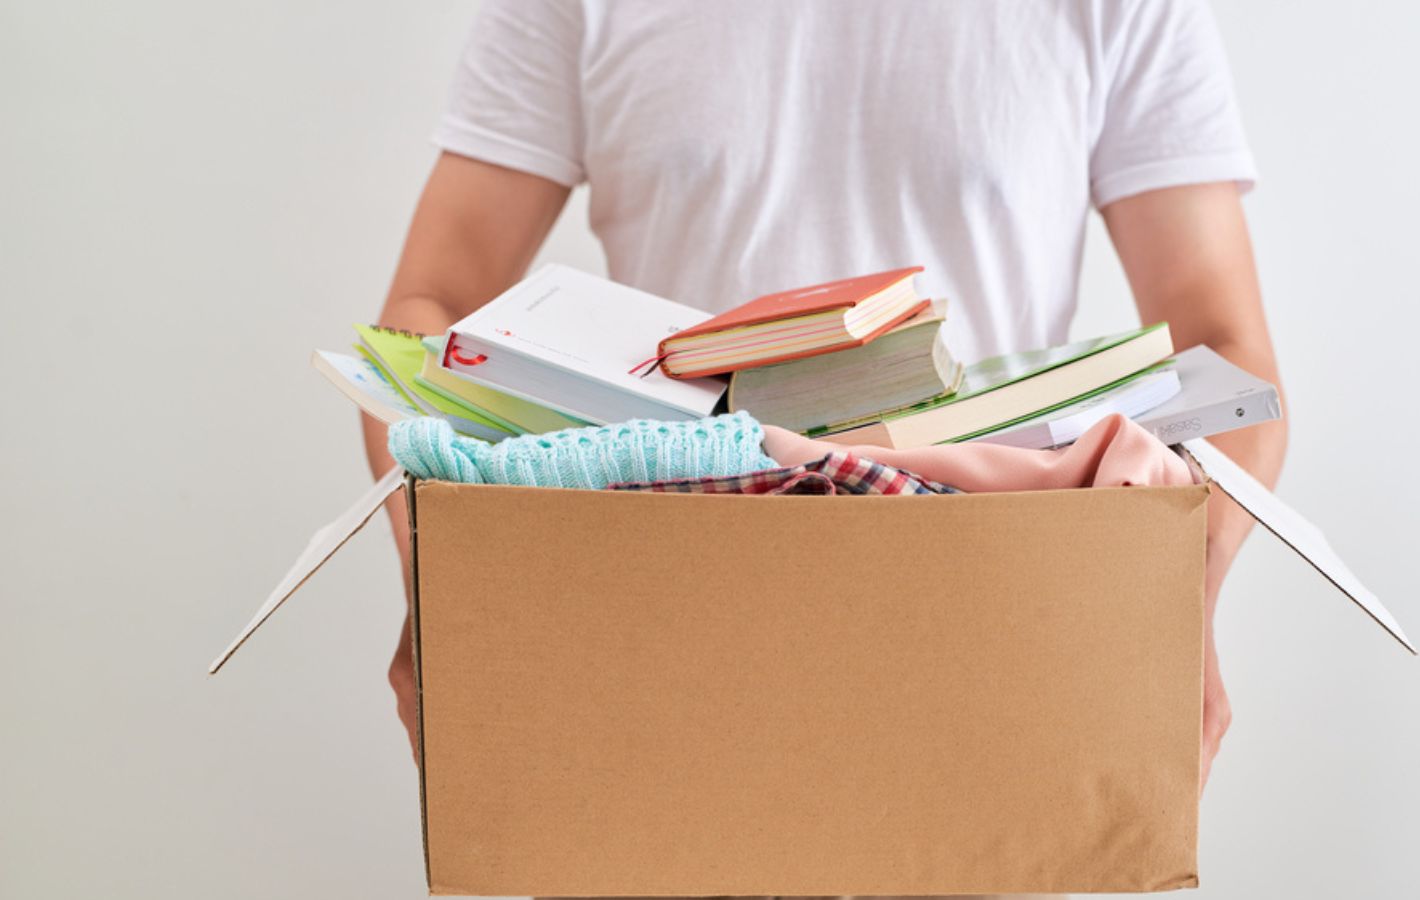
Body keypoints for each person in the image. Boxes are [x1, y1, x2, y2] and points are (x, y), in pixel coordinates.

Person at [365, 0, 1287, 855]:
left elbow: (1218, 349)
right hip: (657, 627)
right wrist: (447, 583)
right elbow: (434, 309)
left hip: (996, 635)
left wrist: (1170, 604)